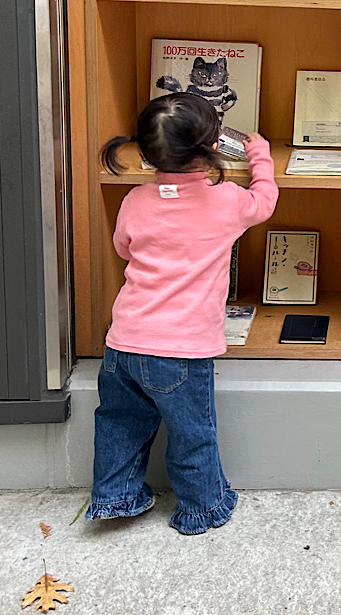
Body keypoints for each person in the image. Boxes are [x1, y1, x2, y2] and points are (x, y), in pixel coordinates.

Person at [89, 93, 278, 534]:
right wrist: (260, 155)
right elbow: (265, 200)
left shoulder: (135, 200)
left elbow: (123, 248)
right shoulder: (226, 200)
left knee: (119, 425)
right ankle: (201, 507)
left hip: (124, 344)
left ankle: (115, 497)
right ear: (212, 148)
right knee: (192, 432)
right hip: (181, 353)